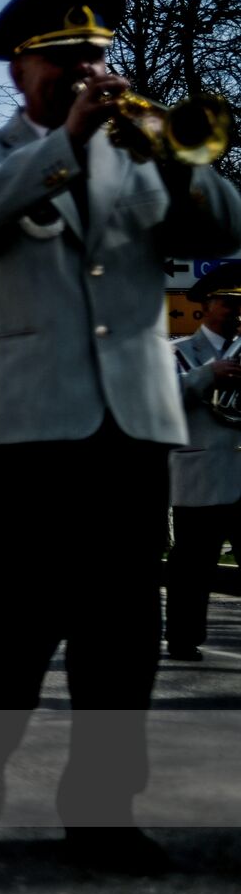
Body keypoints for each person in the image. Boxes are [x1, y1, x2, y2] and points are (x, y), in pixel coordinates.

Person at [0, 0, 241, 872]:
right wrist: (66, 141)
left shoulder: (145, 155)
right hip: (18, 430)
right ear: (24, 69)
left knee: (120, 624)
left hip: (131, 424)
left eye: (96, 58)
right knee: (26, 613)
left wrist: (185, 157)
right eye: (65, 60)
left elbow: (225, 227)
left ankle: (101, 811)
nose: (85, 73)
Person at [165, 263, 241, 661]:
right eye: (228, 303)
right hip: (201, 473)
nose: (235, 312)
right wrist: (208, 375)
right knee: (193, 565)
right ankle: (182, 637)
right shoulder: (177, 353)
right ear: (207, 305)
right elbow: (162, 402)